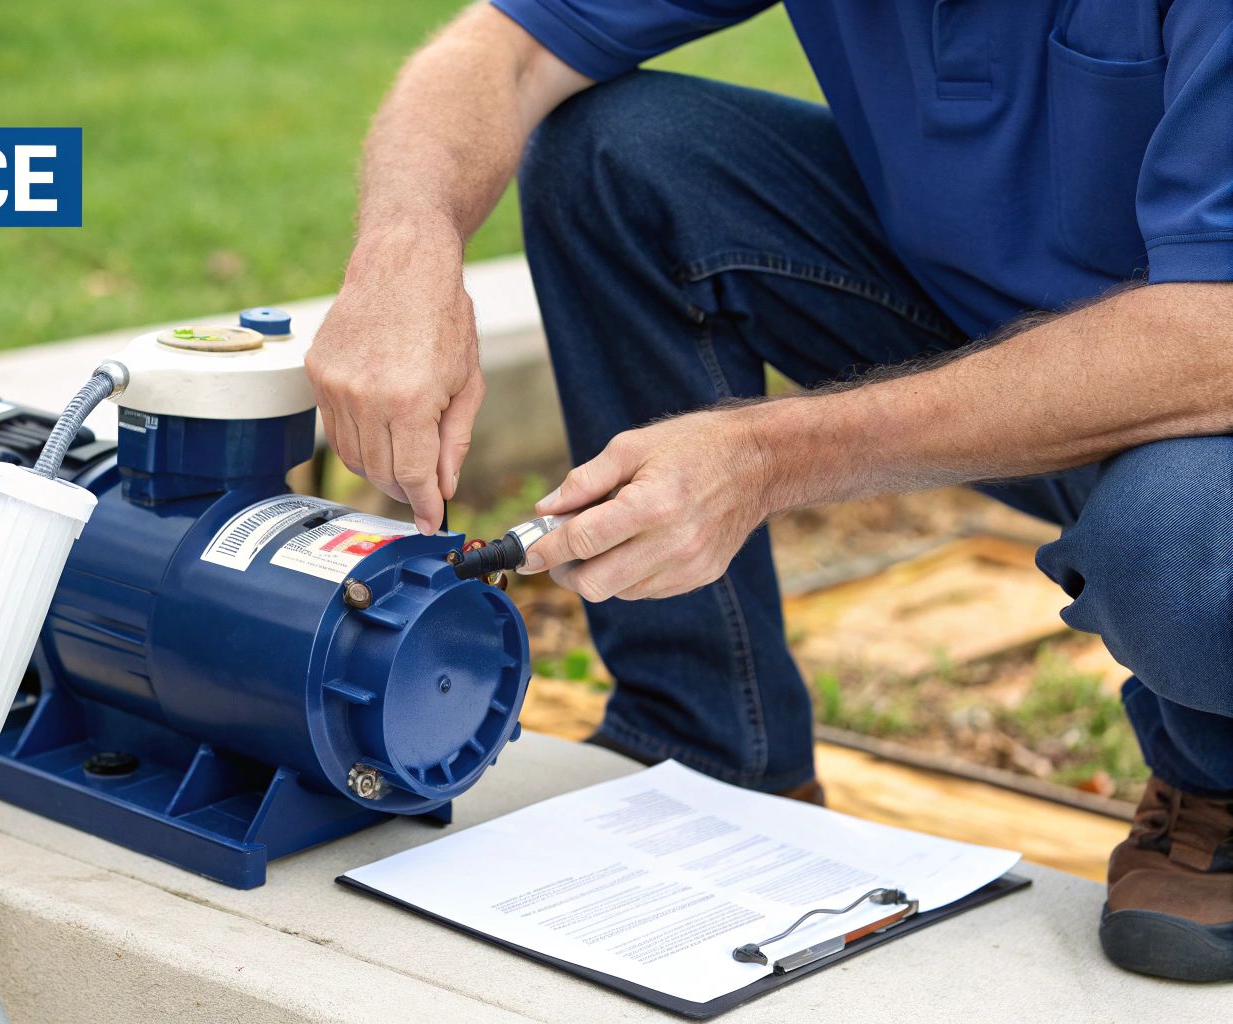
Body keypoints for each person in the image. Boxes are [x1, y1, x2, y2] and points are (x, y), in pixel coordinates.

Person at [304, 0, 1233, 982]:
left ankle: (1212, 774)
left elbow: (1210, 342)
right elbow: (508, 45)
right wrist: (402, 248)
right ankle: (705, 751)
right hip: (995, 320)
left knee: (1181, 556)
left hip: (1202, 373)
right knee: (616, 157)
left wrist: (765, 455)